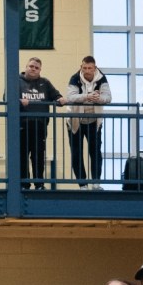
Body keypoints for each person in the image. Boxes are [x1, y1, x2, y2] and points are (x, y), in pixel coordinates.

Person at [63, 56, 111, 189]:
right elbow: (71, 97)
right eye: (84, 68)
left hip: (94, 121)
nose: (87, 71)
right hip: (75, 121)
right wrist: (87, 96)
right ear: (81, 67)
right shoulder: (75, 78)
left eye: (90, 68)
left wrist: (97, 98)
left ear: (95, 68)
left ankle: (96, 182)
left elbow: (108, 98)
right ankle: (82, 184)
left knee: (95, 152)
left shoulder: (102, 78)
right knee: (76, 152)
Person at [18, 56, 65, 189]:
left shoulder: (45, 82)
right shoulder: (16, 81)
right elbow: (7, 98)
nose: (33, 69)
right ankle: (24, 184)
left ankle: (39, 184)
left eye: (36, 68)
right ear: (26, 67)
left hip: (40, 126)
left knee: (38, 155)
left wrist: (60, 98)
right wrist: (19, 101)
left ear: (40, 70)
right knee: (22, 155)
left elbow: (56, 95)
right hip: (22, 125)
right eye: (31, 66)